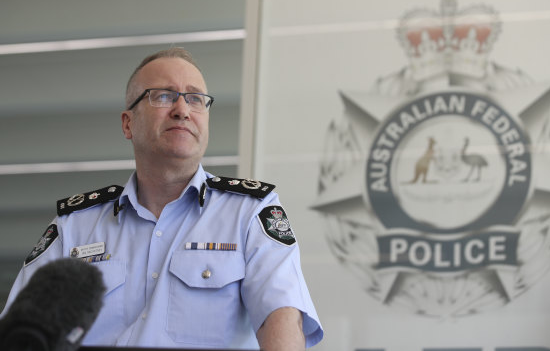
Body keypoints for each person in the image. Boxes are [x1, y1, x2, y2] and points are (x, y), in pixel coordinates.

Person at [1, 48, 323, 350]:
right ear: (128, 124)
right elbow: (20, 328)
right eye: (164, 96)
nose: (182, 110)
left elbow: (281, 315)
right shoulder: (75, 225)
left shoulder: (250, 212)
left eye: (195, 99)